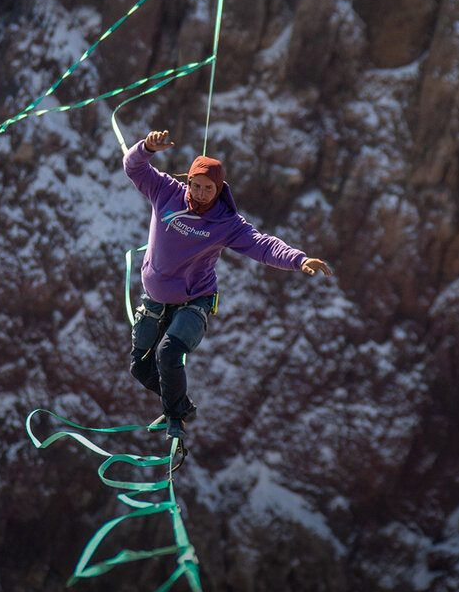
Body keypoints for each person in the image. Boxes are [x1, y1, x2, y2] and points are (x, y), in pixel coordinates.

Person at [124, 129, 332, 439]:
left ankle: (176, 416)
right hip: (155, 298)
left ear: (220, 189)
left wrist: (298, 260)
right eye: (196, 186)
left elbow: (262, 245)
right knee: (140, 368)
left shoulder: (226, 223)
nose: (201, 194)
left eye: (209, 188)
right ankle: (179, 403)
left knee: (168, 353)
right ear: (188, 182)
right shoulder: (165, 192)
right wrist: (146, 148)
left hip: (194, 300)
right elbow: (133, 167)